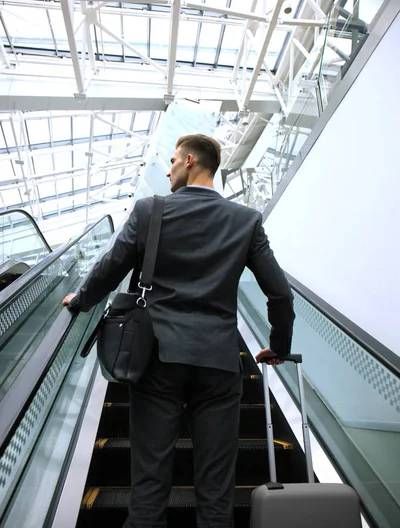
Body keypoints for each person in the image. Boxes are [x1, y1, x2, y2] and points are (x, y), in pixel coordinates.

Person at [62, 133, 295, 528]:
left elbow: (110, 267)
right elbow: (281, 295)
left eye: (172, 161)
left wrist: (80, 299)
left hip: (157, 361)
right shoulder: (246, 220)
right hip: (220, 364)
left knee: (149, 486)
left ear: (189, 160)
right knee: (217, 494)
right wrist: (278, 346)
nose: (167, 169)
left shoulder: (150, 212)